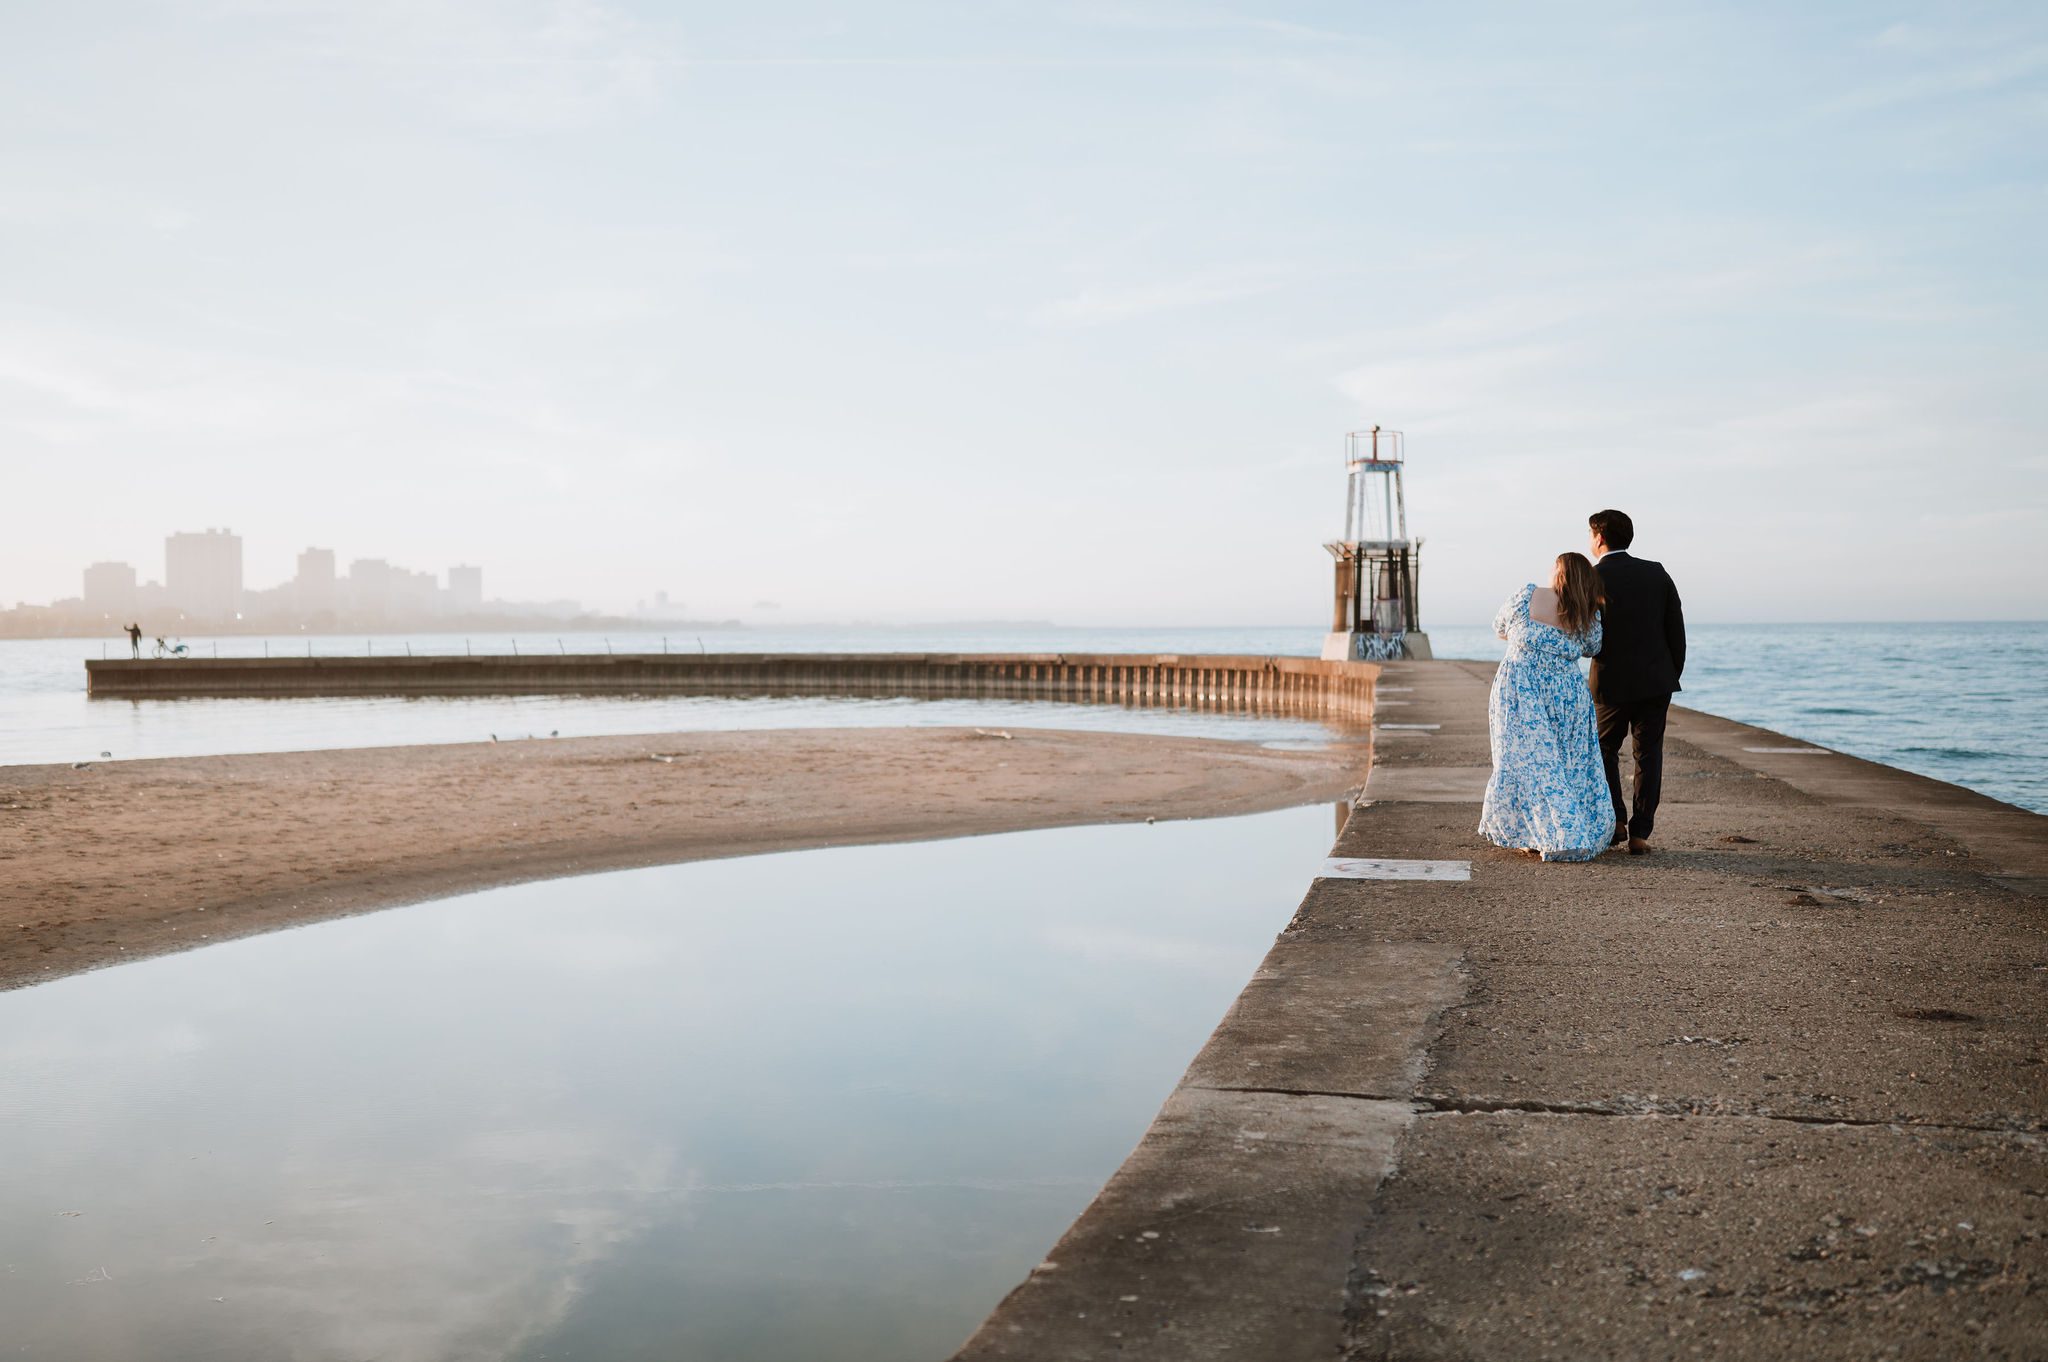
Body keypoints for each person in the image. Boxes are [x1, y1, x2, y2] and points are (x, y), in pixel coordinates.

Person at [1478, 552, 1612, 862]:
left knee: (1524, 763)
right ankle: (1560, 830)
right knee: (1566, 763)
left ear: (1558, 572)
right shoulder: (1586, 612)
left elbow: (1499, 626)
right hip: (1566, 694)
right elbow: (1594, 648)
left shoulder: (1528, 595)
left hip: (1520, 689)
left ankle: (1539, 834)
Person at [1587, 509, 1686, 855]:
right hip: (1656, 681)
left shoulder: (1593, 577)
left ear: (1599, 537)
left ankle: (1616, 820)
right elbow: (1676, 630)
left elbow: (1586, 634)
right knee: (1648, 754)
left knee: (1604, 750)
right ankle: (1641, 832)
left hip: (1611, 683)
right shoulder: (1656, 572)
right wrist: (1670, 673)